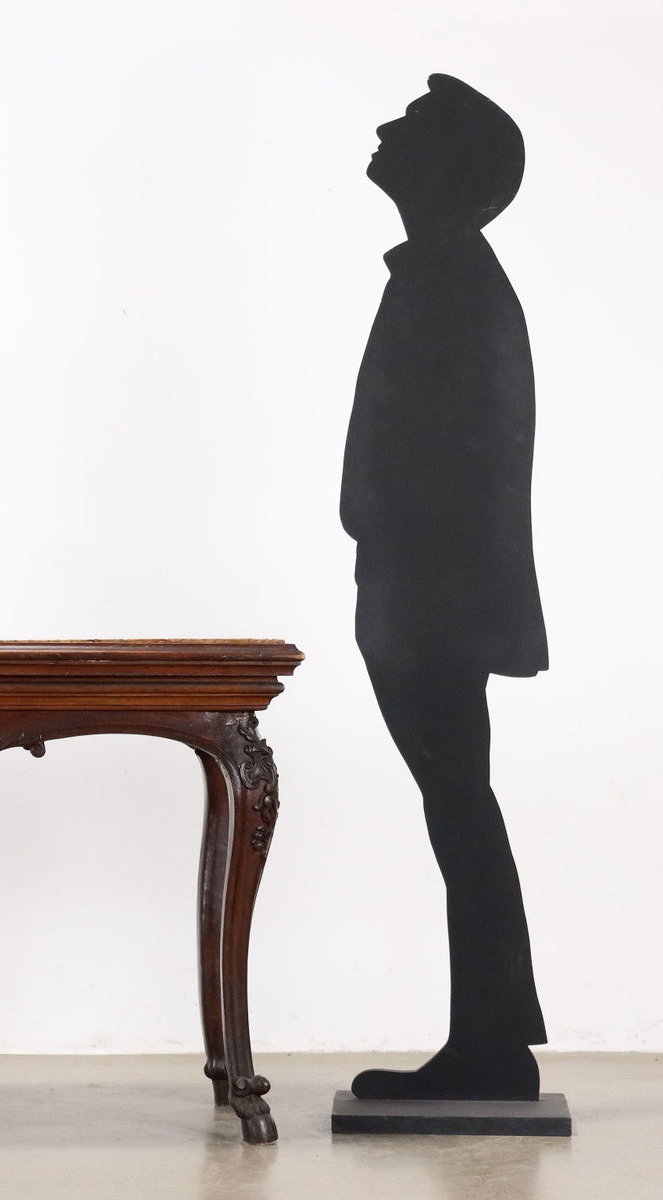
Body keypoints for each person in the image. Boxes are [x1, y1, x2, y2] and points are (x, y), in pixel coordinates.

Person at [340, 74, 548, 1101]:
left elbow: (476, 460)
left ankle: (493, 1047)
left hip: (433, 600)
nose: (387, 128)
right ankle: (493, 1040)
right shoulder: (444, 274)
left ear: (449, 166)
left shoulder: (453, 281)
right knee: (459, 806)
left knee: (460, 807)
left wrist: (405, 565)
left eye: (413, 126)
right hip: (423, 592)